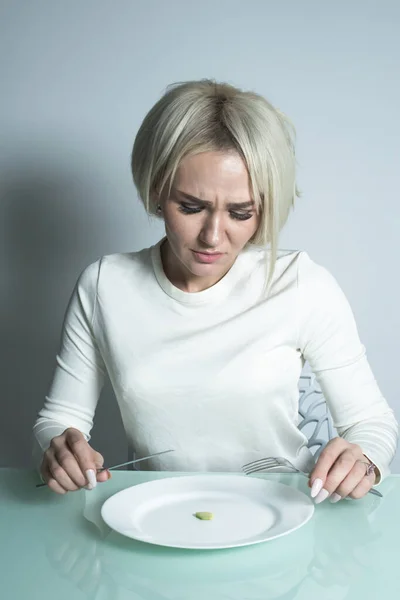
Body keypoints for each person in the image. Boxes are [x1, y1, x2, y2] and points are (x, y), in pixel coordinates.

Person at [33, 79, 398, 503]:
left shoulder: (300, 284)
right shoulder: (104, 286)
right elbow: (60, 418)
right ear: (156, 190)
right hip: (162, 513)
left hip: (288, 506)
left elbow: (371, 422)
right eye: (190, 207)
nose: (212, 236)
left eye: (241, 213)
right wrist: (61, 448)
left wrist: (365, 460)